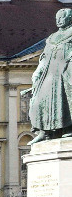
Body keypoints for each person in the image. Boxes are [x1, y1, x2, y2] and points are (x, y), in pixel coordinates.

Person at [30, 8, 72, 142]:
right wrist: (38, 71)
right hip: (50, 73)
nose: (58, 20)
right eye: (57, 18)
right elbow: (44, 56)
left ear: (70, 19)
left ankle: (68, 129)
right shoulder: (52, 37)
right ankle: (43, 131)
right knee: (38, 100)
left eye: (62, 17)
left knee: (66, 99)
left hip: (66, 71)